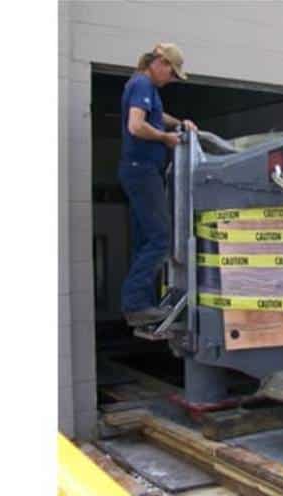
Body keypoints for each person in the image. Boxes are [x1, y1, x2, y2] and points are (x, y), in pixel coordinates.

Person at [119, 43, 198, 327]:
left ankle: (141, 304)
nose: (171, 80)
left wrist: (179, 124)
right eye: (172, 73)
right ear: (161, 63)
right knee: (161, 238)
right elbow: (136, 126)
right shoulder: (142, 84)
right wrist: (166, 139)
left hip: (139, 171)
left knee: (145, 240)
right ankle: (136, 304)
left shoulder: (145, 88)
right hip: (141, 171)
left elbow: (156, 116)